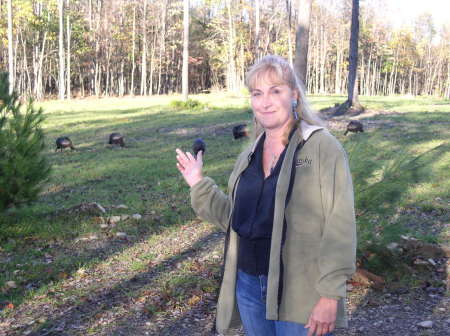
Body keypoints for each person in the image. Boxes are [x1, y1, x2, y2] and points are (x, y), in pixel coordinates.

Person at [175, 55, 356, 336]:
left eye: (275, 91)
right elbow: (235, 219)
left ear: (294, 95)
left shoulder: (321, 147)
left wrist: (330, 295)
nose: (265, 102)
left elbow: (340, 225)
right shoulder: (251, 152)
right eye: (257, 93)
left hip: (299, 290)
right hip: (247, 283)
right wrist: (198, 182)